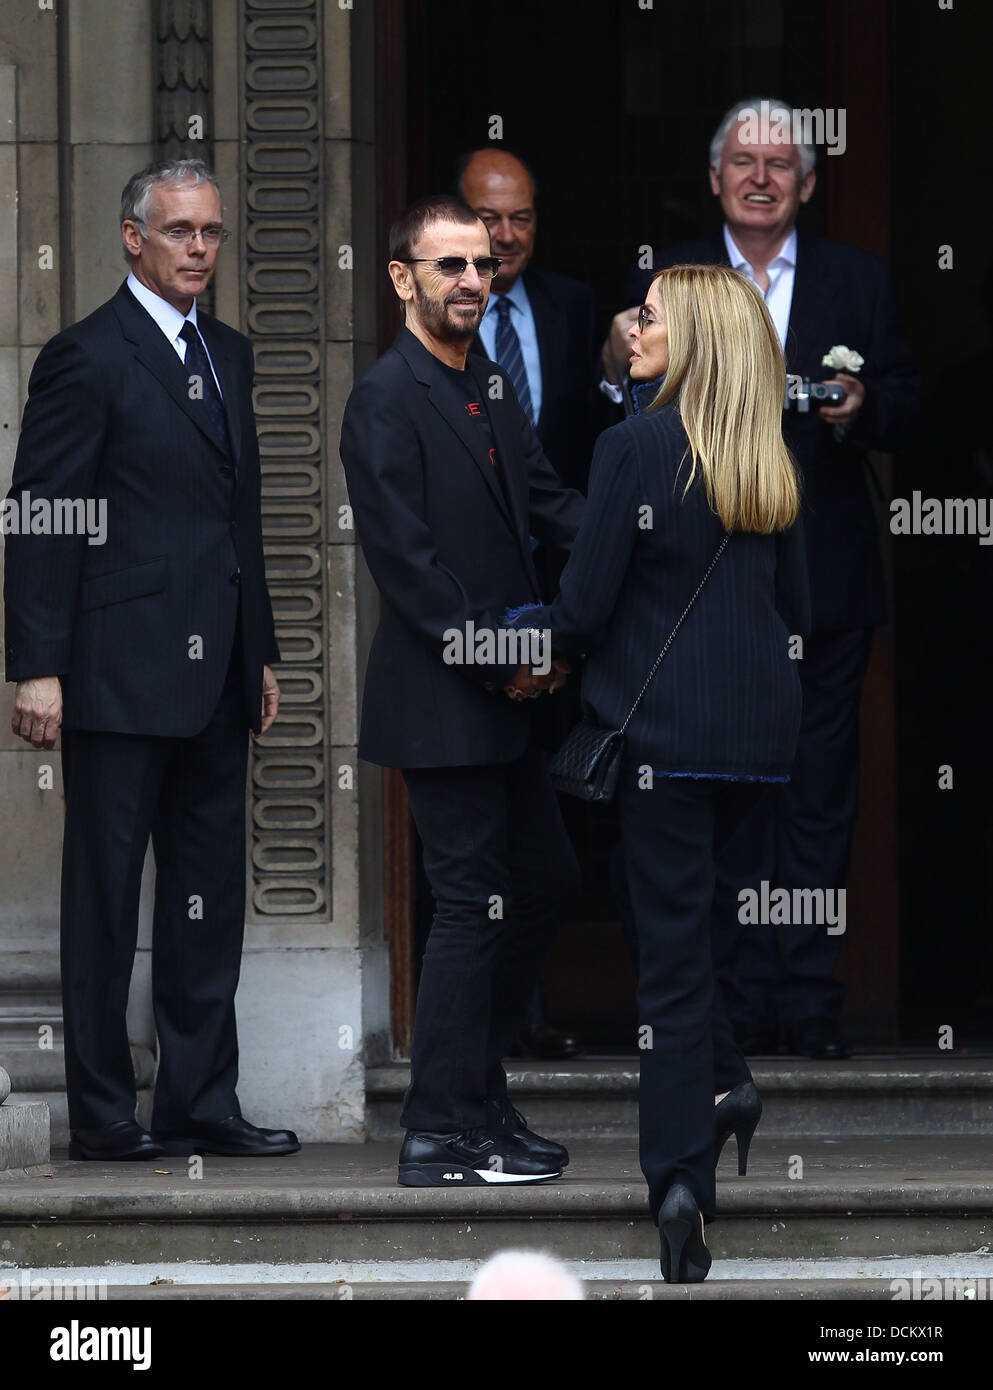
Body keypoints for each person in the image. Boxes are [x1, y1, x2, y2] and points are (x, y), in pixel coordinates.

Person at [506, 264, 809, 1280]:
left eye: (649, 316)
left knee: (670, 961)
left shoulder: (631, 447)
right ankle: (726, 1082)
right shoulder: (767, 454)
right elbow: (796, 608)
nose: (629, 326)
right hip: (761, 746)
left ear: (695, 339)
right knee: (692, 930)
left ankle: (679, 1180)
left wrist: (510, 630)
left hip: (664, 747)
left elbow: (584, 608)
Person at [602, 96, 919, 1059]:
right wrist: (621, 362)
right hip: (698, 589)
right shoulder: (667, 280)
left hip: (820, 576)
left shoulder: (856, 282)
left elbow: (908, 406)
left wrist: (861, 405)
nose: (760, 176)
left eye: (781, 164)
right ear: (713, 178)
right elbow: (619, 398)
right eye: (742, 161)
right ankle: (729, 1004)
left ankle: (808, 997)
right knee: (724, 794)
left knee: (817, 792)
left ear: (808, 185)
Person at [3, 159, 299, 1162]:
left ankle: (199, 1101)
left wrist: (258, 650)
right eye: (180, 232)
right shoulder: (86, 355)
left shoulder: (231, 353)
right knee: (104, 902)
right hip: (115, 675)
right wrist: (36, 665)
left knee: (205, 901)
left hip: (216, 676)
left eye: (211, 233)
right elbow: (41, 516)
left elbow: (237, 521)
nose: (199, 251)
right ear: (134, 237)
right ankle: (102, 1115)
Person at [338, 194, 584, 1187]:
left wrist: (641, 535)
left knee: (548, 884)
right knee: (472, 902)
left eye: (482, 264)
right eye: (450, 267)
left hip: (511, 699)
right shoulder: (383, 398)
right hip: (443, 704)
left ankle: (480, 1095)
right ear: (402, 279)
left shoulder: (486, 379)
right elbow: (411, 570)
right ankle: (439, 1128)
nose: (474, 281)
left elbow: (551, 503)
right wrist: (508, 656)